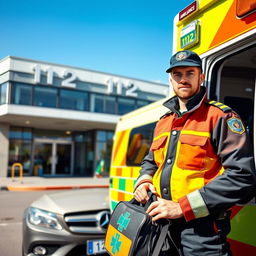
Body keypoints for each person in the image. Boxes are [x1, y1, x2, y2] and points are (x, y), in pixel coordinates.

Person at [133, 50, 256, 256]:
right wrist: (144, 180)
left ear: (201, 76)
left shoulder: (220, 117)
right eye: (177, 74)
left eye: (190, 73)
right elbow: (151, 160)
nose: (183, 79)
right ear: (171, 79)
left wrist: (182, 207)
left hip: (202, 230)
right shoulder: (164, 121)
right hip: (161, 225)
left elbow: (242, 176)